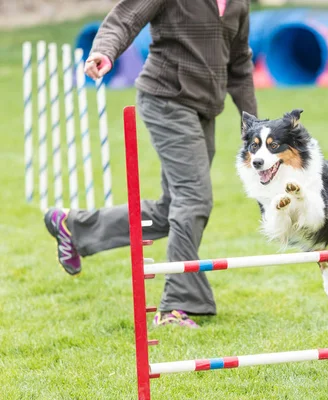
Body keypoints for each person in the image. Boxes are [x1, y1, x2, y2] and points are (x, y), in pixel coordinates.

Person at [43, 0, 258, 328]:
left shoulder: (238, 4)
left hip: (204, 108)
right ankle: (175, 307)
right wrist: (104, 50)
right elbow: (126, 18)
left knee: (172, 207)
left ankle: (76, 227)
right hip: (166, 99)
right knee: (194, 199)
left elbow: (240, 62)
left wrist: (252, 123)